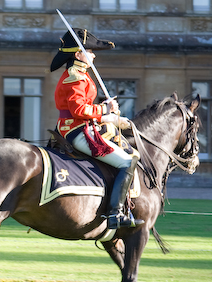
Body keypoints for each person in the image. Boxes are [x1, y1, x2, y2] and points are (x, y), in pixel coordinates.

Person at [51, 29, 143, 229]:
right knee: (128, 162)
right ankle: (115, 214)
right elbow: (79, 110)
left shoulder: (80, 74)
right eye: (90, 51)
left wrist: (105, 111)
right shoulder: (75, 76)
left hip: (80, 126)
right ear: (77, 54)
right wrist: (105, 109)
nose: (93, 55)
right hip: (76, 130)